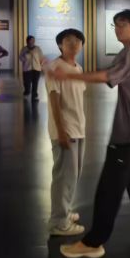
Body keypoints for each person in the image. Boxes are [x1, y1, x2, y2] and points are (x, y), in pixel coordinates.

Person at [49, 9, 130, 258]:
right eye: (115, 25)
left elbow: (108, 75)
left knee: (109, 189)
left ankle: (93, 243)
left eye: (122, 25)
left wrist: (69, 74)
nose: (117, 29)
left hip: (129, 135)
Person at [45, 29, 87, 236]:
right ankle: (58, 222)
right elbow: (54, 100)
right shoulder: (55, 67)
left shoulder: (78, 68)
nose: (73, 44)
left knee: (73, 175)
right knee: (64, 177)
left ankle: (64, 211)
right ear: (60, 45)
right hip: (66, 130)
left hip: (79, 128)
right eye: (68, 40)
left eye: (78, 40)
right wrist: (61, 131)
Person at [19, 35, 44, 100]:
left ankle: (34, 95)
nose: (32, 41)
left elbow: (41, 57)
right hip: (27, 68)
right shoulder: (24, 49)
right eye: (31, 40)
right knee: (27, 82)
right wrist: (25, 59)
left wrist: (42, 65)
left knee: (35, 82)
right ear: (27, 41)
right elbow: (20, 57)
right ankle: (27, 92)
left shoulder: (37, 48)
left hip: (36, 68)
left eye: (33, 40)